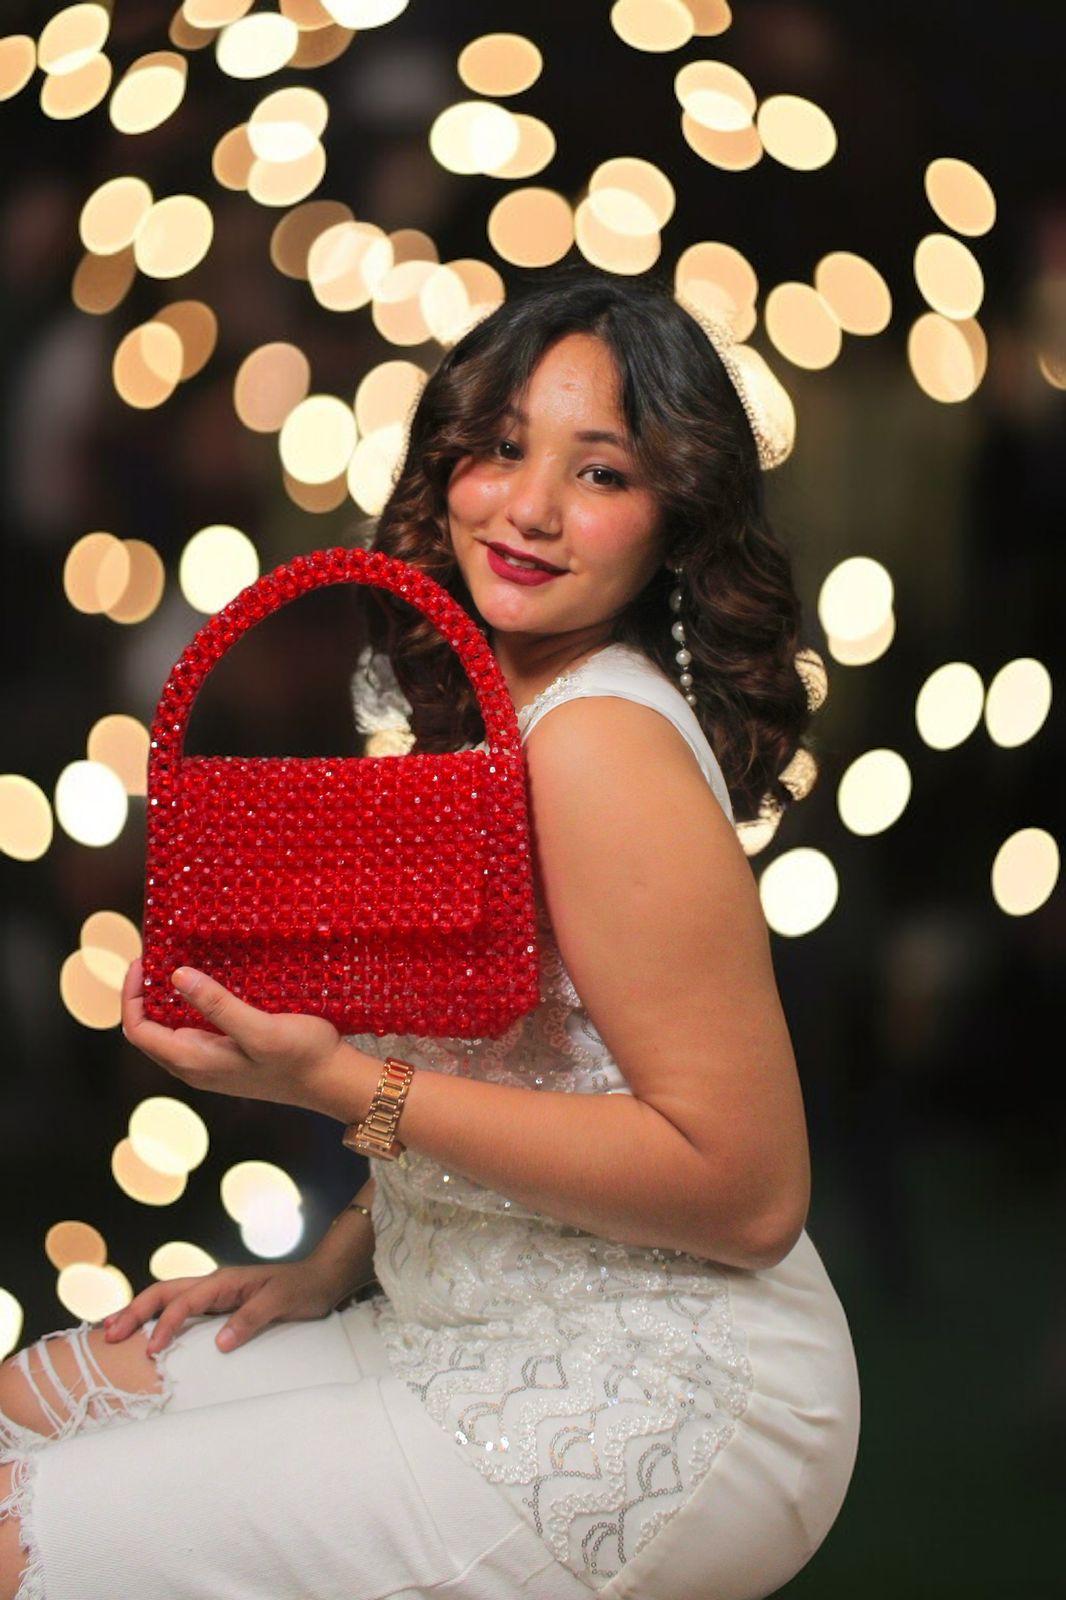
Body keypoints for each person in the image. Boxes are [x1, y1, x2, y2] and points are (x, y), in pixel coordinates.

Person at [0, 267, 860, 1600]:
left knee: (22, 1532)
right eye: (504, 447)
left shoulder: (601, 747)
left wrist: (329, 1083)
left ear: (673, 516)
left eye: (599, 473)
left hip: (658, 1387)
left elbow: (747, 1196)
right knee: (31, 1399)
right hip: (455, 1312)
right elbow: (525, 1071)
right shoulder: (493, 712)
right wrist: (334, 1264)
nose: (525, 507)